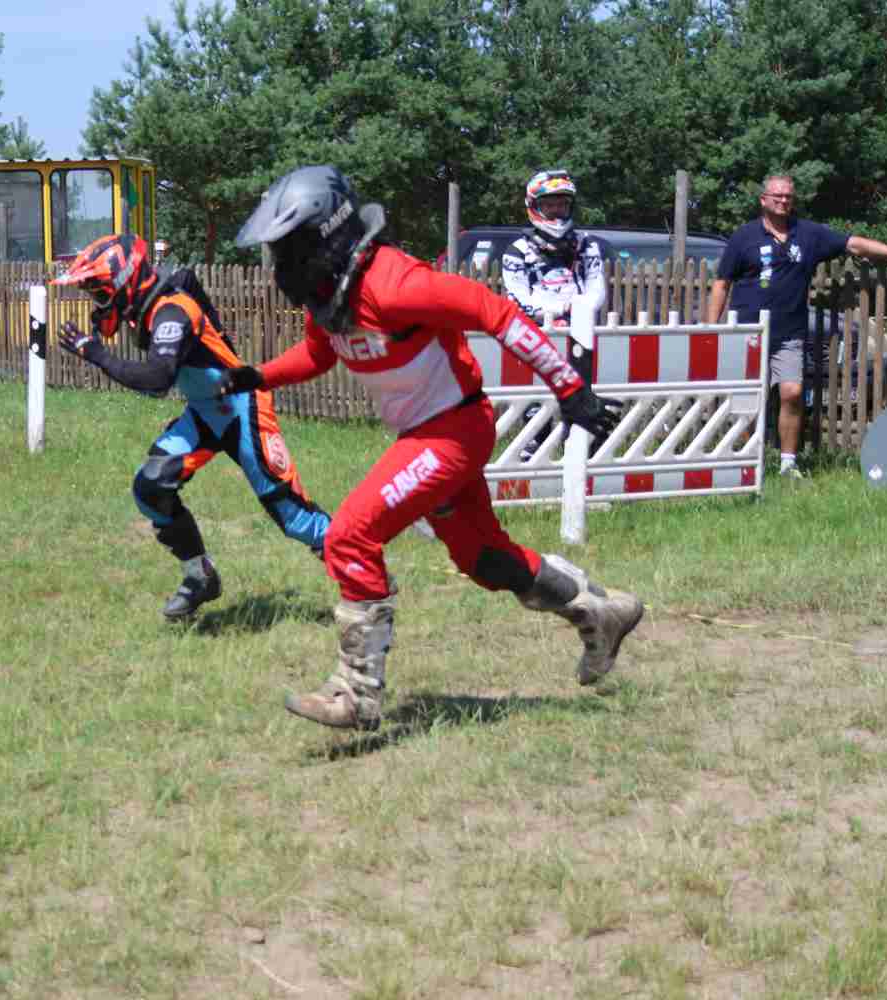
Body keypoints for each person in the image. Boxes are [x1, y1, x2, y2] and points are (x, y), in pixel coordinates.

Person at [221, 165, 644, 731]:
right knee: (484, 560)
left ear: (326, 236)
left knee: (349, 536)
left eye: (288, 248)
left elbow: (495, 313)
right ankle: (600, 611)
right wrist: (258, 377)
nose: (280, 266)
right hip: (425, 433)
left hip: (453, 430)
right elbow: (319, 355)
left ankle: (357, 691)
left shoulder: (397, 285)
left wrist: (569, 388)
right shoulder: (330, 295)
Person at [52, 233, 331, 620]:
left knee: (292, 516)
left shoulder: (172, 312)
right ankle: (200, 577)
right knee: (150, 486)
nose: (97, 305)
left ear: (125, 281)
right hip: (204, 413)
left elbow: (156, 379)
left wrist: (96, 354)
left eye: (99, 293)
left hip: (241, 409)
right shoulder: (148, 306)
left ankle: (362, 570)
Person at [705, 173, 887, 479]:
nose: (783, 201)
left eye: (788, 197)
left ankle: (787, 464)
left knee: (792, 393)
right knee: (748, 403)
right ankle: (747, 462)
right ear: (763, 200)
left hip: (790, 334)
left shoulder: (807, 234)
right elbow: (721, 284)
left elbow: (855, 244)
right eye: (777, 196)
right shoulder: (744, 237)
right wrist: (710, 330)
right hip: (748, 334)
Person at [503, 169, 609, 458]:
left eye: (562, 203)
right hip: (536, 335)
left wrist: (581, 309)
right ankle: (533, 457)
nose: (556, 210)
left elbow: (597, 290)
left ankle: (582, 455)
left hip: (580, 335)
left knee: (583, 395)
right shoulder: (517, 251)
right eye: (549, 204)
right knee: (536, 401)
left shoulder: (588, 245)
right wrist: (561, 308)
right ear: (535, 207)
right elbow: (517, 299)